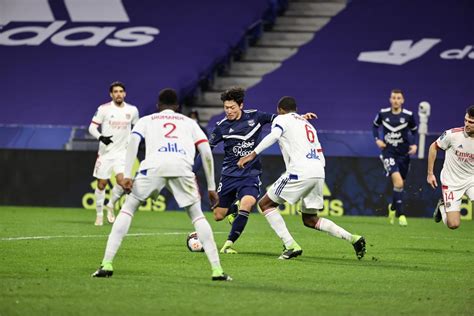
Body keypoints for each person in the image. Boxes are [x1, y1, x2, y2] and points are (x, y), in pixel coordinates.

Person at [92, 88, 231, 281]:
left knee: (127, 209)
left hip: (152, 168)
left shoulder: (147, 120)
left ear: (158, 106)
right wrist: (210, 187)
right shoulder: (189, 122)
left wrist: (128, 174)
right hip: (182, 168)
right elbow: (206, 152)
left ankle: (106, 264)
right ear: (178, 107)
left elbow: (133, 141)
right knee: (197, 217)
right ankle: (217, 271)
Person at [237, 96, 366, 260]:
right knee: (310, 219)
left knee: (265, 204)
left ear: (280, 110)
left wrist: (252, 154)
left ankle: (290, 245)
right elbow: (320, 152)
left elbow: (274, 135)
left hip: (300, 170)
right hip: (318, 170)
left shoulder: (281, 119)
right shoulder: (307, 124)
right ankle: (353, 239)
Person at [207, 87, 316, 254]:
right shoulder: (221, 127)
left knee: (248, 204)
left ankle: (228, 244)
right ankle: (232, 210)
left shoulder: (255, 116)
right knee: (218, 216)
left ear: (241, 105)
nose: (228, 111)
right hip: (229, 175)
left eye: (232, 107)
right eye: (226, 107)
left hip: (250, 175)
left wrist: (300, 118)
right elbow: (207, 149)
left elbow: (283, 119)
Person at [88, 82, 139, 226]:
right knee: (101, 184)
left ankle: (110, 205)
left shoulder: (132, 110)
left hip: (122, 154)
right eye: (115, 91)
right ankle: (99, 215)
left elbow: (137, 128)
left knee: (124, 183)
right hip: (105, 154)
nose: (118, 94)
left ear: (125, 94)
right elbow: (92, 127)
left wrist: (133, 141)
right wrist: (101, 137)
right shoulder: (103, 109)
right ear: (111, 94)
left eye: (121, 91)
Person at [372, 89, 418, 226]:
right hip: (388, 152)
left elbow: (414, 130)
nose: (396, 100)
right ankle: (401, 214)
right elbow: (375, 126)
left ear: (402, 100)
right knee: (398, 183)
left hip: (403, 154)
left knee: (400, 184)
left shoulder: (408, 115)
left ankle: (392, 207)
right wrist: (377, 139)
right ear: (390, 99)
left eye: (399, 98)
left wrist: (414, 145)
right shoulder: (383, 113)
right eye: (394, 97)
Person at [427, 105, 474, 229]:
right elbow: (433, 147)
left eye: (471, 122)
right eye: (466, 120)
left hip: (471, 180)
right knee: (453, 224)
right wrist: (430, 173)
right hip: (451, 181)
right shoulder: (452, 135)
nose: (467, 124)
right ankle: (442, 206)